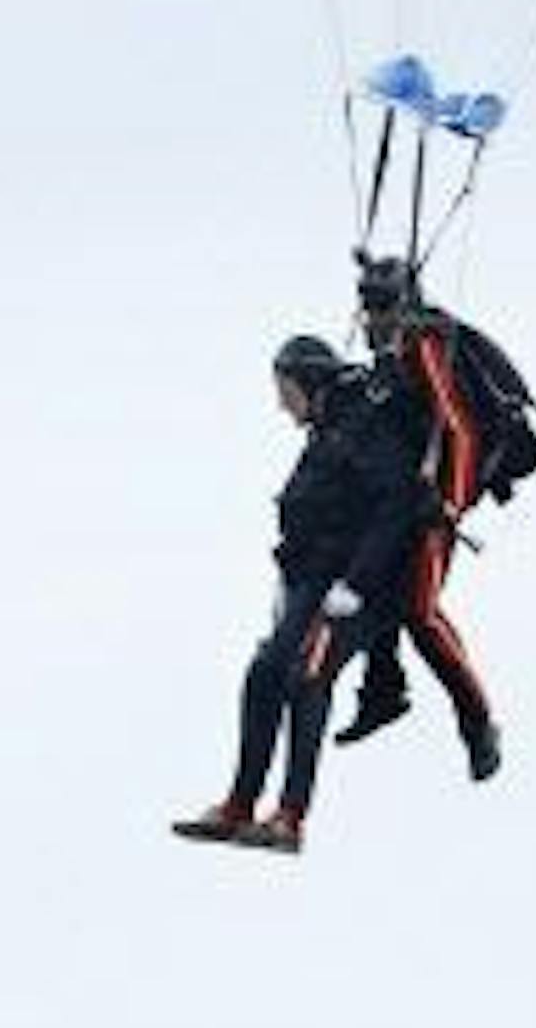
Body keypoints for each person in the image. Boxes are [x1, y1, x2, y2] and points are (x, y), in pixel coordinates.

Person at [170, 331, 419, 856]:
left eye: (285, 389)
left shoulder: (365, 427)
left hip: (357, 588)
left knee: (307, 676)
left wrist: (355, 585)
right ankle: (240, 805)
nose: (281, 403)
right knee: (265, 673)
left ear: (308, 383)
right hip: (310, 581)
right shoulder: (329, 429)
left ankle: (290, 816)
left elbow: (396, 506)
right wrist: (288, 585)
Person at [332, 255, 503, 780]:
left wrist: (449, 504)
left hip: (432, 506)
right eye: (367, 307)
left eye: (381, 307)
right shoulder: (389, 354)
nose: (371, 318)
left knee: (420, 611)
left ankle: (477, 720)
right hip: (400, 500)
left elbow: (459, 428)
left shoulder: (422, 345)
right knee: (376, 585)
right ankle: (384, 692)